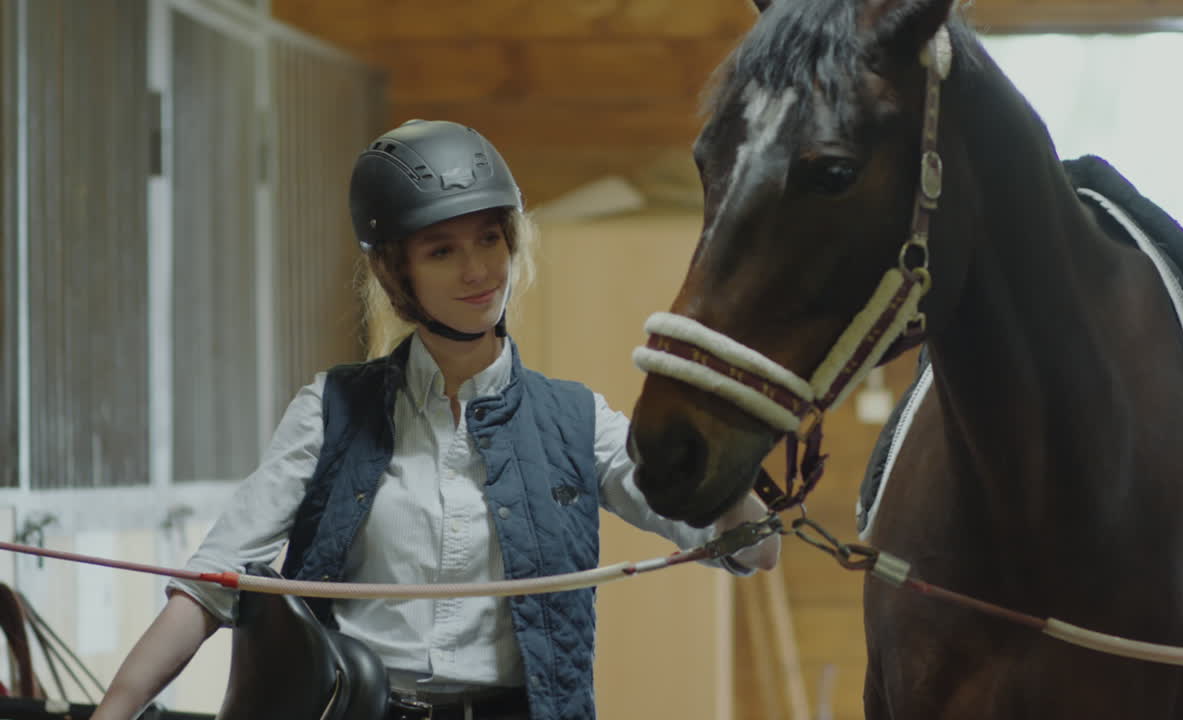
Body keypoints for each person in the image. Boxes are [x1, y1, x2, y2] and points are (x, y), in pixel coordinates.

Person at [90, 119, 779, 720]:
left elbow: (752, 547)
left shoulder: (577, 420)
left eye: (490, 238)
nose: (479, 269)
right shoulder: (329, 412)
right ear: (398, 274)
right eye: (442, 250)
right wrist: (111, 714)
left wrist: (729, 433)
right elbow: (210, 587)